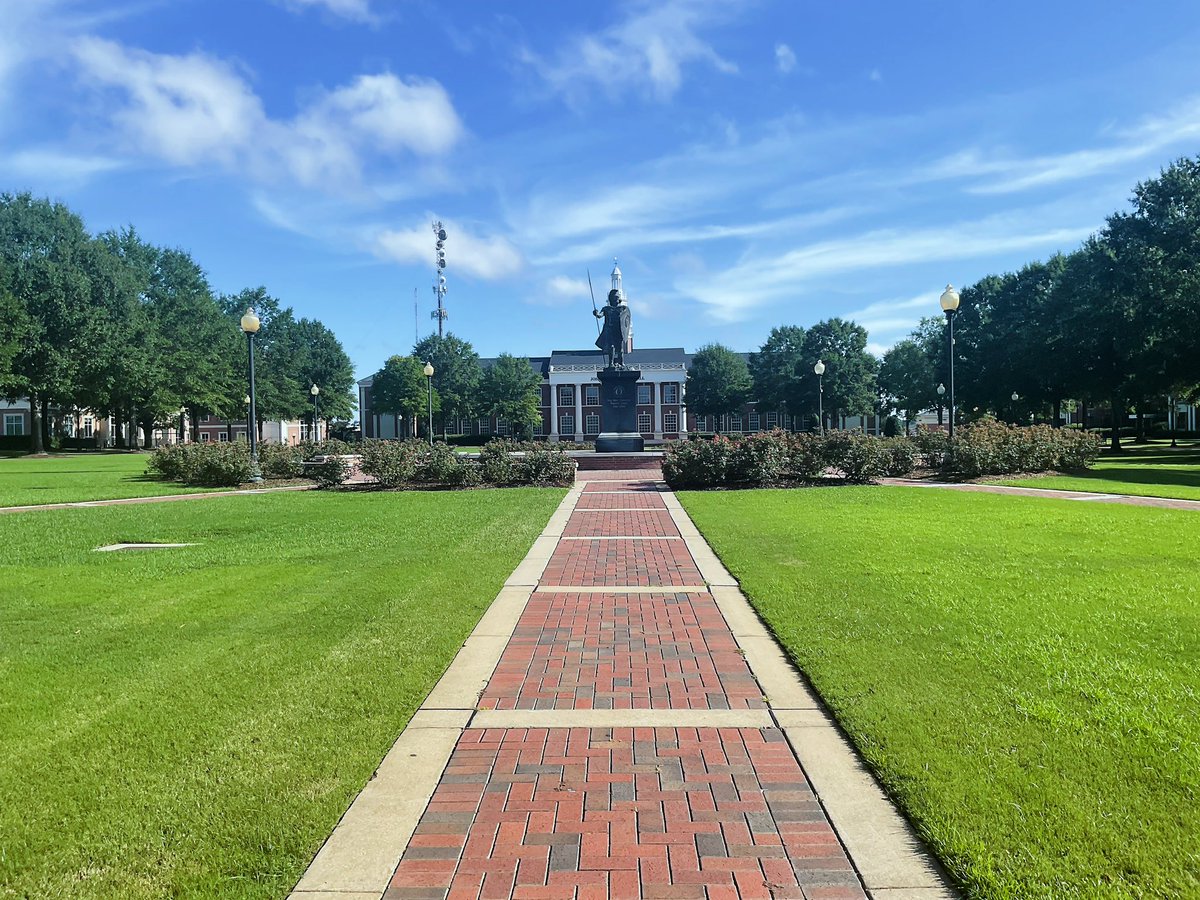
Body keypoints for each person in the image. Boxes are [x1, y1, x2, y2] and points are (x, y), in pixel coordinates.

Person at [594, 287, 631, 368]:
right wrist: (596, 314)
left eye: (616, 298)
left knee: (620, 348)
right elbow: (600, 315)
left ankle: (621, 363)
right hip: (610, 330)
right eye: (613, 298)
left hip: (619, 330)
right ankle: (611, 363)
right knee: (611, 347)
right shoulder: (606, 309)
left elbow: (626, 320)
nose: (615, 300)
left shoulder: (623, 309)